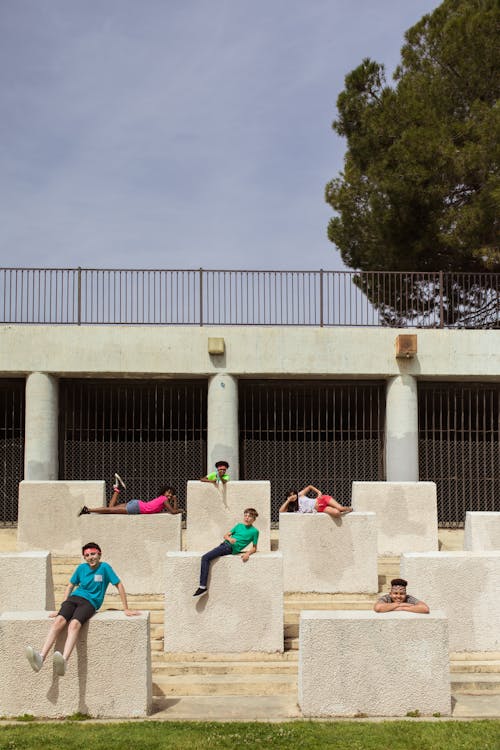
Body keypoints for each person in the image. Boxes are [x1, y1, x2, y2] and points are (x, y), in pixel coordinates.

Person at [25, 542, 140, 676]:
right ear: (84, 558)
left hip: (90, 603)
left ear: (99, 554)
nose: (90, 557)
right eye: (87, 555)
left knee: (74, 625)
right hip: (74, 598)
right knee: (59, 621)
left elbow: (118, 584)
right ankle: (41, 657)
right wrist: (61, 608)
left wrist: (126, 609)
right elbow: (70, 586)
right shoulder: (81, 568)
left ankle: (64, 661)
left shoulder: (105, 568)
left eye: (93, 554)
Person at [193, 508, 259, 597]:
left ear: (254, 519)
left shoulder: (255, 531)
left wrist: (247, 553)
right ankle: (202, 586)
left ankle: (202, 587)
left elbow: (254, 548)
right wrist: (229, 539)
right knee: (207, 557)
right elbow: (225, 535)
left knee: (205, 557)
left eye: (250, 516)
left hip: (230, 548)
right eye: (245, 515)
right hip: (224, 545)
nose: (247, 518)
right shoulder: (238, 525)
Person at [78, 473, 181, 516]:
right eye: (169, 492)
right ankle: (88, 510)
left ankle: (117, 490)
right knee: (110, 510)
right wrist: (178, 508)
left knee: (110, 507)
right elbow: (173, 511)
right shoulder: (163, 499)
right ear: (164, 492)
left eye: (172, 494)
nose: (170, 495)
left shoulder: (162, 500)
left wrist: (175, 501)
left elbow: (173, 510)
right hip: (136, 508)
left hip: (136, 504)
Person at [279, 485, 352, 518]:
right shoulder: (292, 506)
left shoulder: (300, 495)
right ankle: (331, 507)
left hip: (321, 499)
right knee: (337, 513)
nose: (293, 496)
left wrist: (318, 492)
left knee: (341, 509)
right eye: (290, 495)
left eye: (294, 494)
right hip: (320, 509)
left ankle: (350, 509)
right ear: (288, 497)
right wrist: (288, 500)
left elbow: (309, 487)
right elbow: (281, 511)